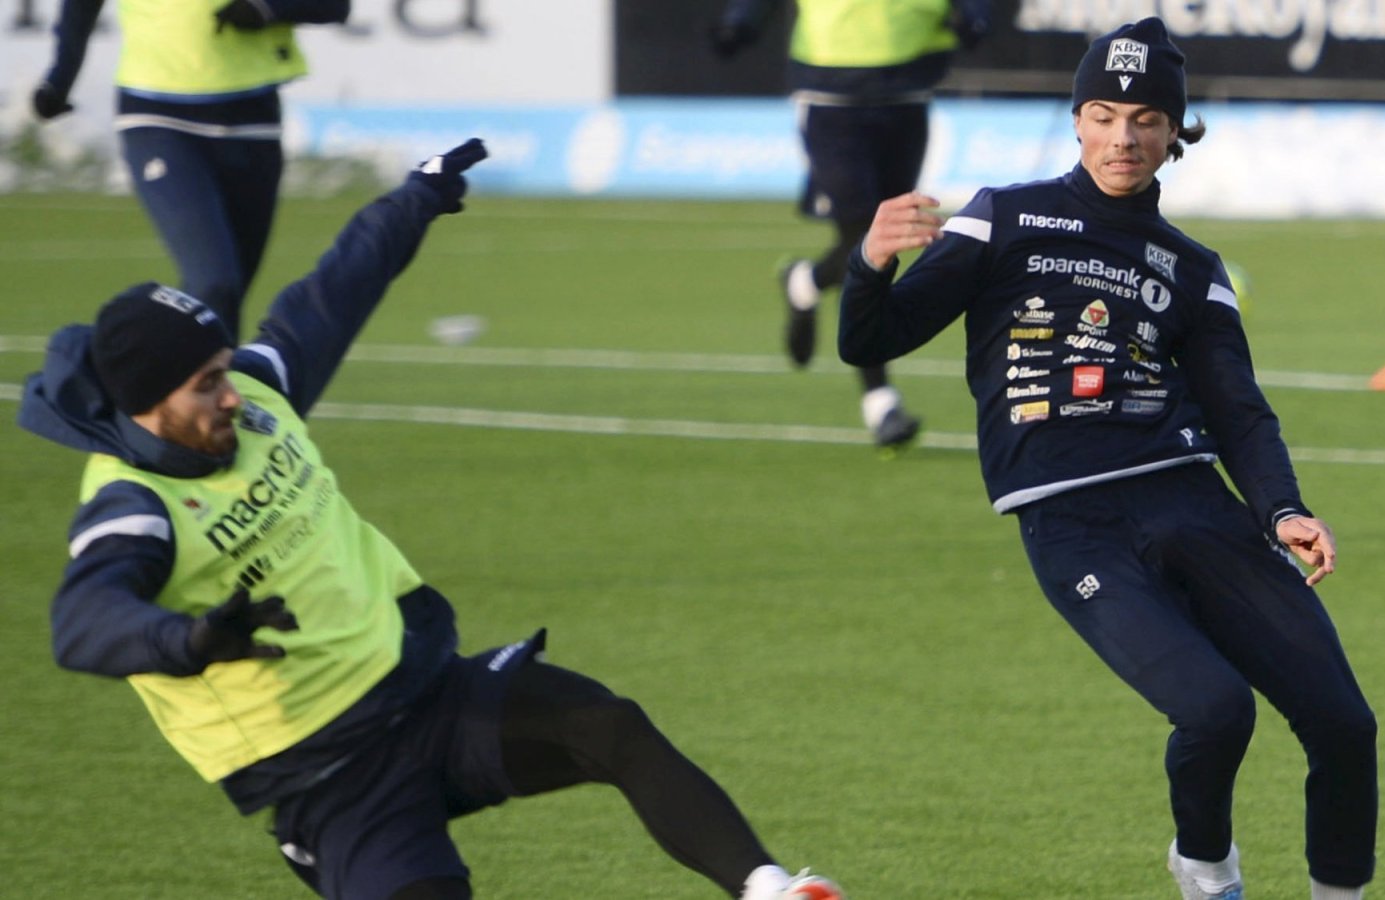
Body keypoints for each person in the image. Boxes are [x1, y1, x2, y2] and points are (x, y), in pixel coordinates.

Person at [17, 139, 845, 900]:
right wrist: (189, 641)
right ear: (146, 404)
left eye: (225, 370)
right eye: (205, 385)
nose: (231, 394)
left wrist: (414, 198)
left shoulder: (261, 396)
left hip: (427, 695)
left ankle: (769, 889)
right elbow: (82, 620)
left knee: (607, 726)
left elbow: (335, 291)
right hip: (330, 779)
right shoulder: (132, 504)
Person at [836, 18, 1377, 900]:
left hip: (1192, 501)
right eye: (1103, 115)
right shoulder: (1001, 218)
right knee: (1215, 710)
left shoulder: (1194, 269)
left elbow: (1239, 414)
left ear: (1174, 134)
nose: (1122, 137)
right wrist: (869, 264)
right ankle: (1206, 868)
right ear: (1077, 121)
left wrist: (1282, 508)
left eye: (1145, 119)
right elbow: (871, 339)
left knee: (1346, 724)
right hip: (1071, 522)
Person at [710, 0, 991, 453]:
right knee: (868, 239)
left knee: (890, 235)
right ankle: (880, 401)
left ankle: (805, 281)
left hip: (908, 90)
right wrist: (741, 21)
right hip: (831, 93)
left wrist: (975, 13)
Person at [30, 0, 350, 340]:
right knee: (214, 282)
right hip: (156, 112)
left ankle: (175, 372)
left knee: (222, 298)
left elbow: (335, 6)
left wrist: (268, 8)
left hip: (252, 120)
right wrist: (60, 76)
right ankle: (124, 365)